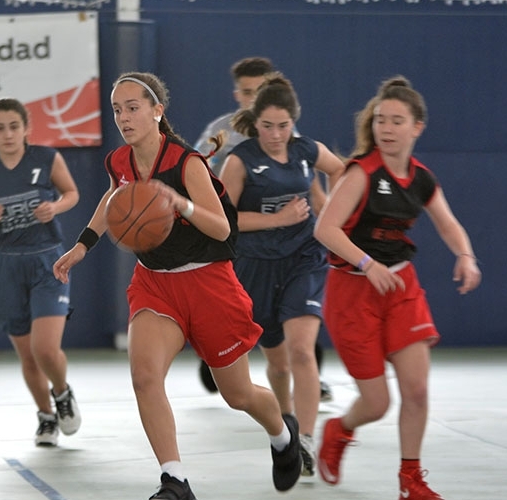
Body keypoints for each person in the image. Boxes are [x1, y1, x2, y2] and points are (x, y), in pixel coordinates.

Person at [53, 72, 301, 499]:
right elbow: (115, 197)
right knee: (145, 376)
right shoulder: (119, 161)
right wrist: (82, 246)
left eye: (133, 107)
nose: (124, 117)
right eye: (117, 109)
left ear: (157, 111)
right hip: (155, 284)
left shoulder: (187, 163)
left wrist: (180, 204)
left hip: (209, 283)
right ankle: (175, 481)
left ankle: (282, 434)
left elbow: (223, 229)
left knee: (238, 394)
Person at [313, 76, 482, 500]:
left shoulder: (422, 179)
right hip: (353, 289)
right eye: (381, 120)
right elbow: (326, 229)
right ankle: (339, 429)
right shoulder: (361, 172)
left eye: (397, 121)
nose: (386, 128)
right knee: (376, 403)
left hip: (400, 285)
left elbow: (446, 222)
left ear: (417, 127)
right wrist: (367, 263)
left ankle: (411, 480)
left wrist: (465, 255)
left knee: (418, 389)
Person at [218, 72, 345, 479]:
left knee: (303, 350)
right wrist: (279, 218)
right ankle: (288, 425)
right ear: (255, 122)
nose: (276, 134)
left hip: (305, 258)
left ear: (295, 121)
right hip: (254, 266)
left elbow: (341, 170)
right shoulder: (239, 161)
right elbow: (223, 219)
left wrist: (329, 208)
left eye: (284, 125)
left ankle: (306, 439)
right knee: (277, 361)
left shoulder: (307, 150)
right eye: (268, 126)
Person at [194, 57, 334, 403]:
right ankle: (223, 358)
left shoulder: (291, 137)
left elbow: (313, 187)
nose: (275, 133)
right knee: (255, 329)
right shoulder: (224, 137)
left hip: (298, 249)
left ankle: (308, 385)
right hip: (247, 246)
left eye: (258, 90)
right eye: (246, 91)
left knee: (300, 331)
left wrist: (332, 221)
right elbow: (197, 178)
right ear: (238, 95)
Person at [0, 97, 82, 447]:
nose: (8, 134)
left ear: (26, 128)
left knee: (46, 349)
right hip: (6, 264)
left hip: (47, 260)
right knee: (28, 354)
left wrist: (55, 207)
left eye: (14, 126)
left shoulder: (46, 158)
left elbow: (72, 193)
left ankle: (62, 393)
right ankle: (46, 417)